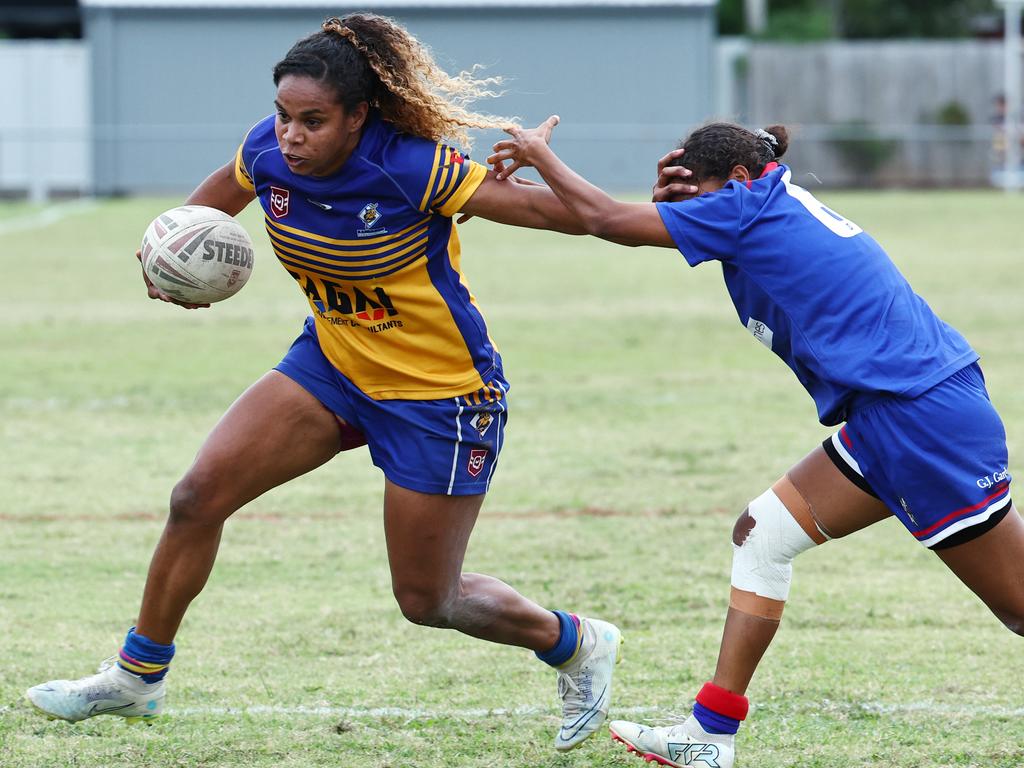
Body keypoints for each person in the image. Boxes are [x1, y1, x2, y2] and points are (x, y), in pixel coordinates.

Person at [25, 16, 623, 752]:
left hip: (439, 396)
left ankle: (575, 642)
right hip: (332, 366)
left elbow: (561, 215)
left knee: (428, 599)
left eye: (313, 121)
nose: (291, 136)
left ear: (358, 116)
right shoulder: (266, 153)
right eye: (283, 116)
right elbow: (199, 214)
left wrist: (615, 190)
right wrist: (168, 261)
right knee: (196, 497)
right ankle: (136, 676)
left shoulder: (410, 167)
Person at [488, 117, 1020, 768]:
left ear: (735, 181)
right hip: (895, 415)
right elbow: (640, 224)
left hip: (921, 420)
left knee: (1019, 607)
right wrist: (668, 204)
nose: (691, 210)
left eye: (698, 194)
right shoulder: (761, 198)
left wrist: (542, 157)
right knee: (761, 533)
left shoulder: (742, 210)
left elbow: (604, 220)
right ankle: (710, 734)